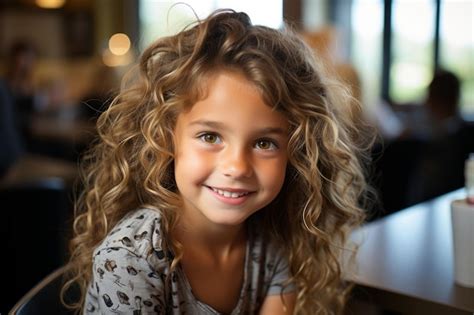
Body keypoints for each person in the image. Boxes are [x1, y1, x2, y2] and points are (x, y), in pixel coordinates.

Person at [63, 9, 373, 315]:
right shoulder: (132, 258)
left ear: (296, 153)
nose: (237, 167)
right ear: (164, 138)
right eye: (210, 137)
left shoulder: (272, 245)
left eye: (265, 143)